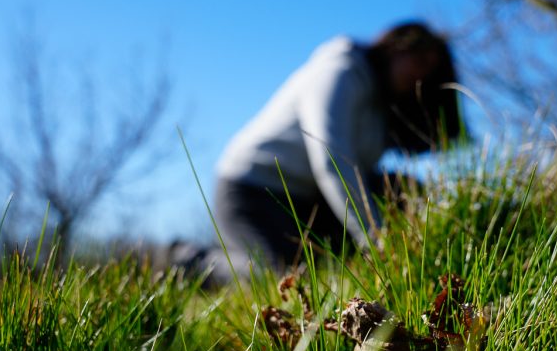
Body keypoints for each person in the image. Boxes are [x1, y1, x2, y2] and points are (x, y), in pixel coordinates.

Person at [183, 21, 465, 285]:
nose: (422, 75)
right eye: (419, 62)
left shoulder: (381, 112)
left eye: (430, 72)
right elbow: (331, 159)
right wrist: (378, 242)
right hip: (253, 189)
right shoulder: (339, 70)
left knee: (401, 190)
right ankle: (191, 262)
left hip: (309, 200)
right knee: (282, 278)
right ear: (395, 48)